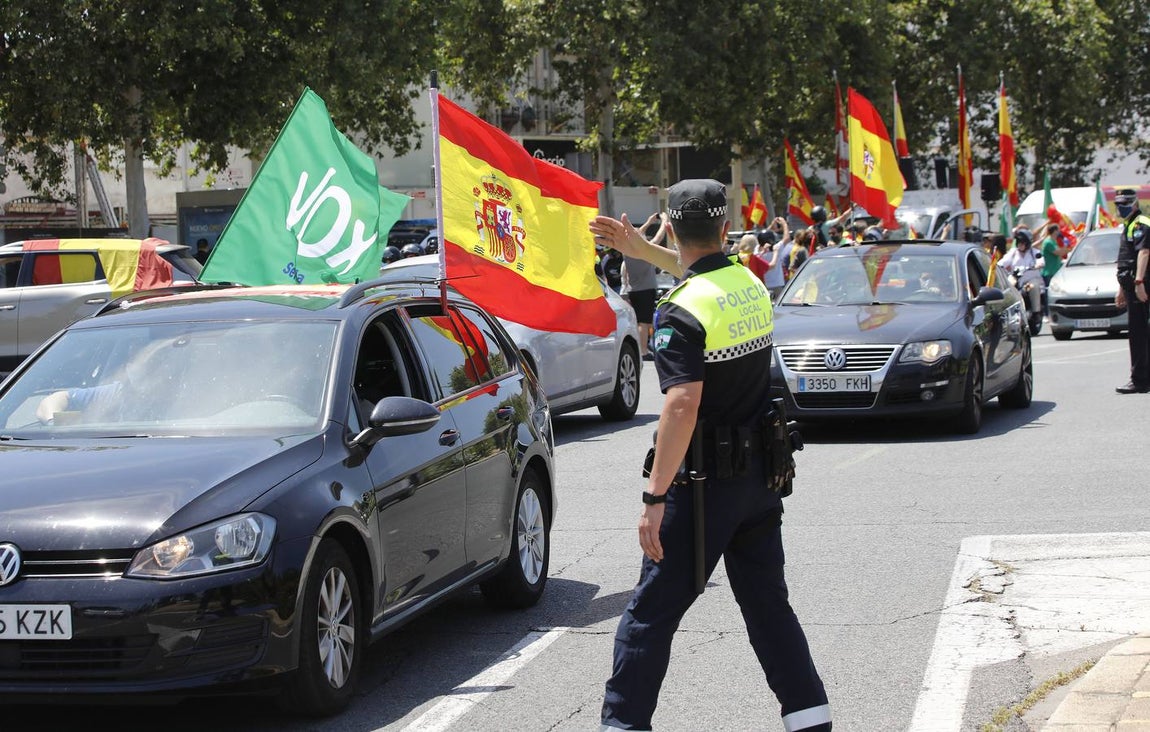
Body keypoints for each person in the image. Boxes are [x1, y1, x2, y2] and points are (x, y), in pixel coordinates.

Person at [588, 179, 831, 732]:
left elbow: (681, 406)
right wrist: (640, 250)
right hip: (760, 480)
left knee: (648, 617)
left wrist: (653, 496)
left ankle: (622, 726)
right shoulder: (746, 281)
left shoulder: (682, 309)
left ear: (671, 225)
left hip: (703, 489)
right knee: (770, 610)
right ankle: (812, 721)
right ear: (727, 230)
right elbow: (698, 268)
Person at [1114, 188, 1150, 393]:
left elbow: (1144, 252)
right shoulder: (1129, 224)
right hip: (1131, 284)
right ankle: (1144, 378)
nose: (1120, 207)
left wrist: (1138, 282)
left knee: (1138, 333)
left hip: (1140, 285)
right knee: (1142, 332)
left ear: (1135, 203)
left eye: (1125, 203)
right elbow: (1126, 259)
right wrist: (1122, 288)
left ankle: (1139, 380)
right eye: (1118, 204)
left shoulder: (1140, 224)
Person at [621, 213, 664, 361]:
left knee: (640, 321)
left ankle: (642, 349)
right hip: (645, 290)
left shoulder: (627, 251)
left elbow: (636, 235)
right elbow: (658, 238)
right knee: (644, 323)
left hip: (634, 290)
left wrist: (649, 221)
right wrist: (664, 221)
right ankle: (644, 352)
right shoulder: (643, 252)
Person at [1001, 228, 1044, 314]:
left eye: (1023, 243)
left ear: (1027, 243)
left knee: (1033, 287)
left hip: (1030, 280)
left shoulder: (1035, 252)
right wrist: (998, 266)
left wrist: (1037, 265)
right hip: (1017, 278)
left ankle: (1036, 313)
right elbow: (1003, 262)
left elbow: (1041, 261)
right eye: (1019, 242)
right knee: (1007, 287)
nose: (1020, 245)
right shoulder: (1013, 252)